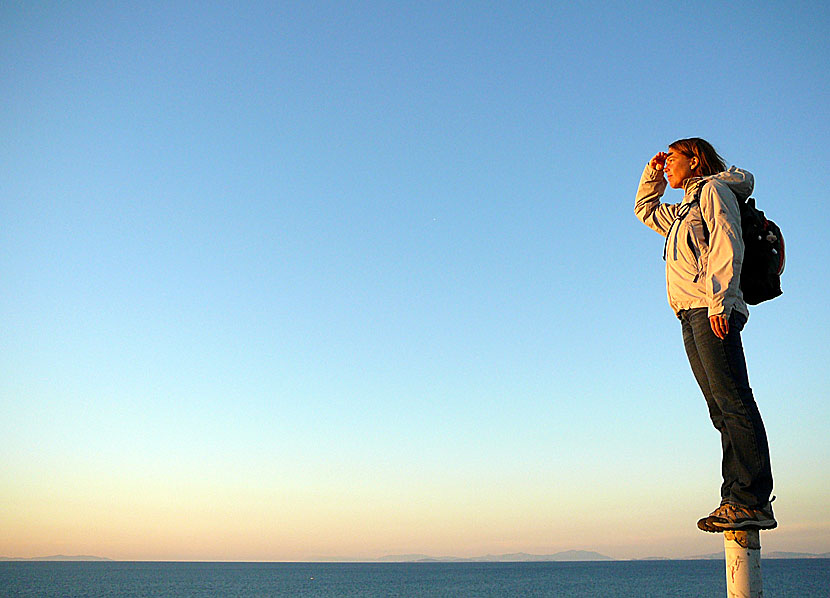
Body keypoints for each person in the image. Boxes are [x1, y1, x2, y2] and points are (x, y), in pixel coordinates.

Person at [634, 137, 776, 532]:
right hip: (690, 312)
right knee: (720, 407)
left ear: (695, 159)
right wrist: (652, 171)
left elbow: (727, 243)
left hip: (711, 308)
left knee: (733, 399)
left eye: (673, 159)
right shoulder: (682, 209)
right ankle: (735, 497)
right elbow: (644, 209)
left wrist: (722, 302)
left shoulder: (714, 191)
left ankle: (752, 499)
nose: (667, 166)